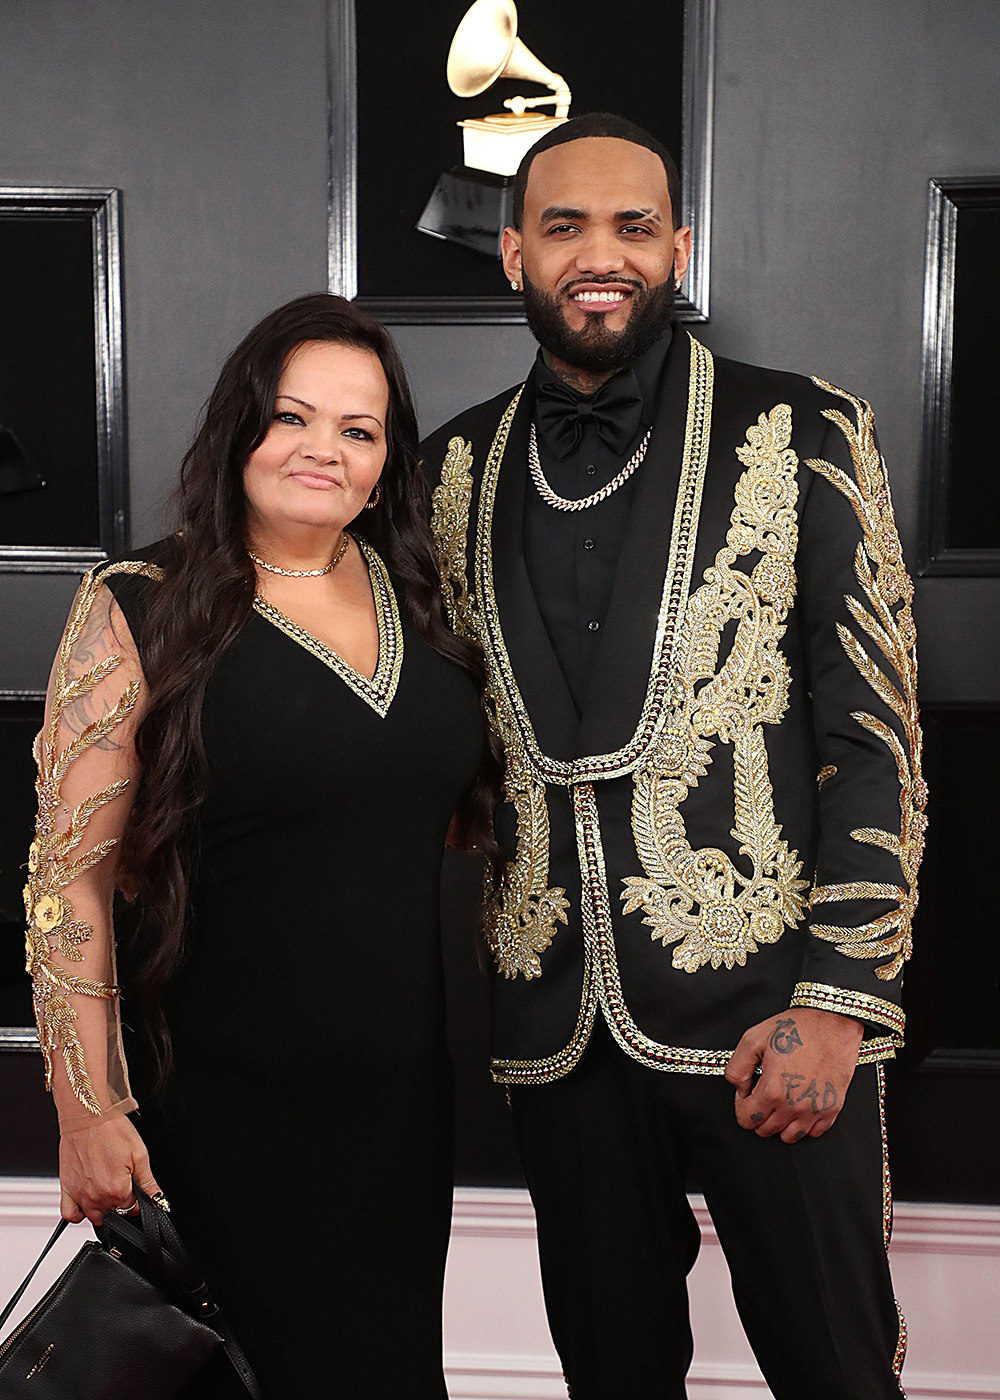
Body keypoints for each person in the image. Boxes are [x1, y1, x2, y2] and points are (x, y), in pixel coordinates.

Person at [421, 113, 924, 1399]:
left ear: (678, 248)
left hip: (778, 1017)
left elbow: (875, 740)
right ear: (514, 254)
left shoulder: (805, 428)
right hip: (556, 1029)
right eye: (566, 226)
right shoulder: (446, 471)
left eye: (635, 226)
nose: (602, 253)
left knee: (837, 1369)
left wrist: (838, 1000)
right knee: (611, 1375)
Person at [24, 293, 493, 1398]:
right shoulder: (139, 603)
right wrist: (88, 1108)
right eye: (292, 417)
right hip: (222, 1105)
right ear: (241, 429)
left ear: (386, 464)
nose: (322, 449)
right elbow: (68, 883)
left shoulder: (424, 603)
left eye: (359, 429)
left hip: (395, 1110)